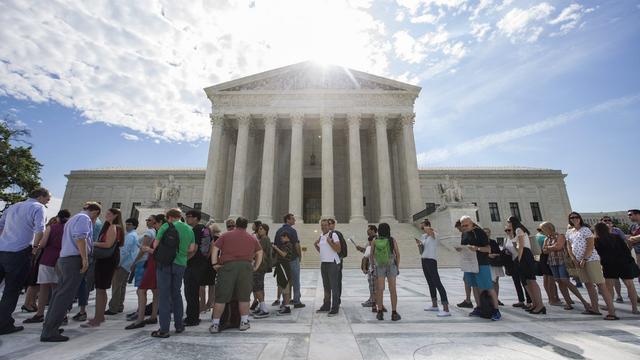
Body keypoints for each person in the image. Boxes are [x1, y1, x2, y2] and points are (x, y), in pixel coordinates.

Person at [40, 202, 101, 342]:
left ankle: (49, 326)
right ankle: (50, 331)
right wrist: (85, 259)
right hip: (73, 260)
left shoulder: (73, 218)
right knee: (64, 296)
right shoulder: (84, 219)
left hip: (65, 259)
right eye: (96, 216)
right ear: (95, 212)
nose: (94, 220)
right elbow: (80, 238)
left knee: (58, 294)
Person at [0, 187, 50, 335]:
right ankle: (3, 324)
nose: (48, 201)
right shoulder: (38, 207)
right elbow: (40, 229)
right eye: (48, 198)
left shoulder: (14, 206)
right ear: (41, 196)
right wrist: (35, 248)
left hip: (2, 249)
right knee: (12, 289)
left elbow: (1, 224)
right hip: (20, 252)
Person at [209, 217, 263, 334]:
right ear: (246, 226)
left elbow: (215, 248)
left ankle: (215, 324)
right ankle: (244, 322)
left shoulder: (225, 235)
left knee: (221, 297)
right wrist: (256, 266)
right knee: (244, 297)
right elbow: (259, 252)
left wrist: (214, 263)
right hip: (246, 267)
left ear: (236, 224)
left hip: (228, 266)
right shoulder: (251, 237)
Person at [150, 209, 196, 338]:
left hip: (165, 264)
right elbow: (192, 248)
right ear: (179, 217)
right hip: (181, 264)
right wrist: (182, 255)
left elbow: (155, 244)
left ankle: (164, 329)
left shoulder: (166, 226)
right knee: (176, 294)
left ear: (169, 217)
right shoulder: (189, 229)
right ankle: (179, 325)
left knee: (164, 296)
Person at [566, 212, 617, 320]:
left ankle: (612, 312)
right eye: (572, 218)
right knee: (588, 285)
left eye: (576, 217)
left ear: (580, 218)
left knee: (600, 285)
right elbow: (569, 247)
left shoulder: (585, 230)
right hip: (579, 261)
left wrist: (585, 258)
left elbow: (590, 245)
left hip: (590, 260)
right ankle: (595, 309)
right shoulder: (569, 232)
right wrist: (574, 259)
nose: (574, 219)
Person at [24, 210, 71, 324]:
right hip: (62, 259)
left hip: (48, 258)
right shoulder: (69, 229)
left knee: (44, 288)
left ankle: (40, 314)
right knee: (58, 290)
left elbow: (43, 243)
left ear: (58, 217)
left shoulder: (52, 227)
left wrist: (37, 246)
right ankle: (62, 315)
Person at [82, 208, 124, 328]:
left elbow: (108, 244)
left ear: (116, 216)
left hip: (107, 259)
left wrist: (91, 243)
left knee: (101, 288)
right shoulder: (112, 227)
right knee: (101, 288)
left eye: (109, 213)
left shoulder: (113, 227)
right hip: (107, 259)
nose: (106, 215)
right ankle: (99, 316)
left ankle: (98, 318)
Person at [457, 216, 501, 321]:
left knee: (488, 286)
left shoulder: (480, 232)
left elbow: (488, 249)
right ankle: (479, 307)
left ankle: (496, 310)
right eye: (462, 226)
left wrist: (477, 248)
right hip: (469, 263)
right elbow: (465, 247)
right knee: (474, 286)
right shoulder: (464, 233)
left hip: (481, 263)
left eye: (466, 225)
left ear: (472, 223)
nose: (464, 227)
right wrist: (460, 249)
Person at [540, 221, 591, 311]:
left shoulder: (560, 236)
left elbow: (558, 247)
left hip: (562, 261)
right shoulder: (546, 239)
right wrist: (552, 247)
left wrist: (549, 247)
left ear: (549, 228)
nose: (542, 231)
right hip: (552, 262)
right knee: (559, 281)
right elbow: (544, 250)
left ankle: (584, 302)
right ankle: (568, 302)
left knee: (565, 280)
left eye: (543, 229)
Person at [126, 214, 163, 329]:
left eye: (153, 221)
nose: (151, 223)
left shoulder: (156, 233)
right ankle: (152, 316)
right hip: (154, 264)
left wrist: (147, 250)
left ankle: (140, 319)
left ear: (159, 222)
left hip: (152, 265)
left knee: (141, 290)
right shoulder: (158, 233)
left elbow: (158, 251)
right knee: (155, 292)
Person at [593, 222, 639, 314]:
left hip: (609, 265)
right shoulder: (616, 237)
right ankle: (634, 308)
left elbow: (599, 254)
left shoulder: (596, 240)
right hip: (624, 263)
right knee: (630, 286)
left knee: (609, 287)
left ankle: (610, 306)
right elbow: (626, 249)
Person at [507, 216, 545, 314]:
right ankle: (535, 304)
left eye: (508, 222)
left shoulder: (519, 229)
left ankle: (540, 305)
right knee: (527, 281)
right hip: (523, 254)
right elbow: (515, 246)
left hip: (525, 255)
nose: (507, 224)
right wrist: (511, 235)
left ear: (512, 222)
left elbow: (521, 246)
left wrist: (519, 258)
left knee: (531, 280)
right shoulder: (516, 231)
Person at [106, 217, 139, 315]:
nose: (127, 226)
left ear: (134, 226)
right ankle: (119, 305)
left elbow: (124, 251)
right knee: (121, 286)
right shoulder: (133, 235)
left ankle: (113, 308)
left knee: (116, 286)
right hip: (128, 264)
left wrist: (118, 263)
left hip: (123, 264)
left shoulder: (130, 236)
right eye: (127, 224)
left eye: (129, 224)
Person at [72, 217, 102, 322]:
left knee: (74, 283)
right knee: (83, 284)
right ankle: (82, 310)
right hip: (87, 255)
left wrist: (84, 258)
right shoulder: (97, 223)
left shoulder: (88, 221)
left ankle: (67, 312)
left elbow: (82, 239)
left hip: (82, 255)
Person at [418, 220, 450, 317]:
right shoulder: (423, 236)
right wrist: (419, 245)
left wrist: (428, 228)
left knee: (437, 283)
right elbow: (422, 249)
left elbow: (431, 232)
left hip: (431, 260)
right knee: (430, 283)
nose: (422, 228)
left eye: (423, 226)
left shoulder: (434, 234)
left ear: (427, 226)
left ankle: (446, 308)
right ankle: (434, 304)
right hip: (424, 259)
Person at [183, 209, 209, 326]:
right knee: (194, 292)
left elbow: (193, 249)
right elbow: (211, 246)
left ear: (196, 218)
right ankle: (194, 316)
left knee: (190, 293)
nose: (187, 218)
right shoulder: (205, 229)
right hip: (202, 264)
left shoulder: (195, 230)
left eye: (189, 216)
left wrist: (184, 260)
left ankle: (191, 318)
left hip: (193, 264)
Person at [274, 214, 305, 309]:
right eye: (293, 219)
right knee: (295, 280)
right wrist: (299, 256)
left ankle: (285, 300)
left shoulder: (278, 231)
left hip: (283, 261)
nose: (295, 220)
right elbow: (296, 244)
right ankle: (296, 300)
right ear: (288, 220)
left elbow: (276, 245)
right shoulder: (292, 231)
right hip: (292, 258)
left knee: (285, 281)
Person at [372, 223, 401, 321]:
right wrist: (397, 266)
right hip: (391, 265)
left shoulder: (375, 240)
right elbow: (397, 253)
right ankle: (394, 313)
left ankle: (379, 312)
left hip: (379, 266)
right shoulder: (392, 240)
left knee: (380, 289)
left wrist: (373, 266)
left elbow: (371, 255)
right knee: (392, 289)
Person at [314, 219, 341, 316]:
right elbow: (323, 250)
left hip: (332, 263)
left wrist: (330, 242)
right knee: (326, 286)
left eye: (325, 225)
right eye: (322, 225)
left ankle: (335, 308)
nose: (323, 227)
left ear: (329, 226)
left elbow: (338, 249)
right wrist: (316, 246)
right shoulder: (321, 236)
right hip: (324, 263)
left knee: (334, 286)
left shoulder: (333, 235)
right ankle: (326, 305)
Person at [504, 227, 532, 308]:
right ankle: (521, 300)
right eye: (506, 230)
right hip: (512, 263)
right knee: (516, 282)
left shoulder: (516, 238)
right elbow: (505, 248)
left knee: (524, 281)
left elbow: (519, 249)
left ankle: (529, 301)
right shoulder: (506, 239)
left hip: (520, 261)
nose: (507, 232)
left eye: (509, 230)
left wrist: (513, 242)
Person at [252, 223, 273, 319]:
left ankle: (264, 309)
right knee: (260, 286)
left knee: (257, 287)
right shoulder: (266, 239)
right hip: (262, 266)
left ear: (265, 230)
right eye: (259, 229)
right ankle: (261, 306)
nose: (259, 230)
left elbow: (259, 252)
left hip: (259, 266)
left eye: (261, 229)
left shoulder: (264, 239)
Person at [272, 232, 295, 316]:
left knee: (286, 287)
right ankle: (285, 305)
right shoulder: (285, 245)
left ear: (286, 237)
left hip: (284, 266)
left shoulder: (288, 245)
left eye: (282, 238)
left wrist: (275, 248)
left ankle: (287, 307)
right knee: (282, 285)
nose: (281, 239)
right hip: (281, 267)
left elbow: (284, 254)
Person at [200, 222, 220, 312]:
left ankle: (203, 304)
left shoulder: (208, 238)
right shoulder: (220, 239)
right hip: (214, 264)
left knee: (202, 285)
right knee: (212, 284)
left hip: (206, 263)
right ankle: (210, 303)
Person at [454, 220, 473, 309]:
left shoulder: (471, 234)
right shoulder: (464, 234)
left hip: (472, 260)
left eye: (459, 228)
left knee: (471, 281)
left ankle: (472, 300)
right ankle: (468, 300)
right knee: (466, 280)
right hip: (466, 259)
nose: (459, 230)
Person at [358, 225, 377, 309]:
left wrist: (364, 268)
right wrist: (361, 249)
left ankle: (373, 301)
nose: (367, 231)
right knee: (374, 285)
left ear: (373, 230)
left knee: (372, 285)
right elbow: (367, 252)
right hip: (376, 266)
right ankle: (374, 300)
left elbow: (367, 255)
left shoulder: (374, 240)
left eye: (368, 230)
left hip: (372, 266)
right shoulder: (373, 240)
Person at [484, 228, 505, 306]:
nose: (486, 234)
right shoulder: (481, 242)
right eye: (485, 232)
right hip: (487, 264)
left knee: (496, 282)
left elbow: (498, 251)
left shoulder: (493, 242)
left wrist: (496, 254)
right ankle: (490, 298)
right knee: (490, 282)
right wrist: (488, 255)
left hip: (495, 263)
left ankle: (496, 298)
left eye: (488, 232)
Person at [625, 210, 640, 286]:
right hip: (638, 253)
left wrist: (633, 238)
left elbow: (631, 238)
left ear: (637, 214)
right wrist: (628, 252)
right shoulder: (632, 226)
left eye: (630, 214)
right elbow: (629, 240)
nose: (629, 216)